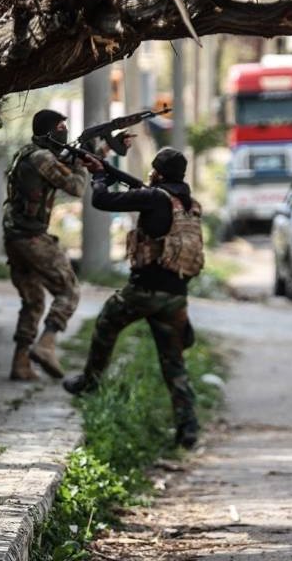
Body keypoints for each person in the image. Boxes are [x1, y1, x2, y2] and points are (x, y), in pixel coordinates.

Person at [63, 147, 205, 448]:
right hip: (176, 295)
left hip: (144, 290)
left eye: (153, 169)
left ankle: (90, 381)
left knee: (106, 322)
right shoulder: (188, 203)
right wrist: (110, 172)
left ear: (160, 173)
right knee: (174, 363)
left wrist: (99, 175)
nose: (149, 174)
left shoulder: (155, 197)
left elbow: (102, 200)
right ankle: (188, 428)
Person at [2, 110, 89, 381]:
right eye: (61, 126)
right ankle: (46, 344)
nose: (65, 129)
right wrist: (83, 162)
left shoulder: (27, 153)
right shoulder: (42, 157)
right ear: (50, 131)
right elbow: (76, 187)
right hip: (32, 238)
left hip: (14, 236)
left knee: (33, 300)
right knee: (69, 290)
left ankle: (20, 364)